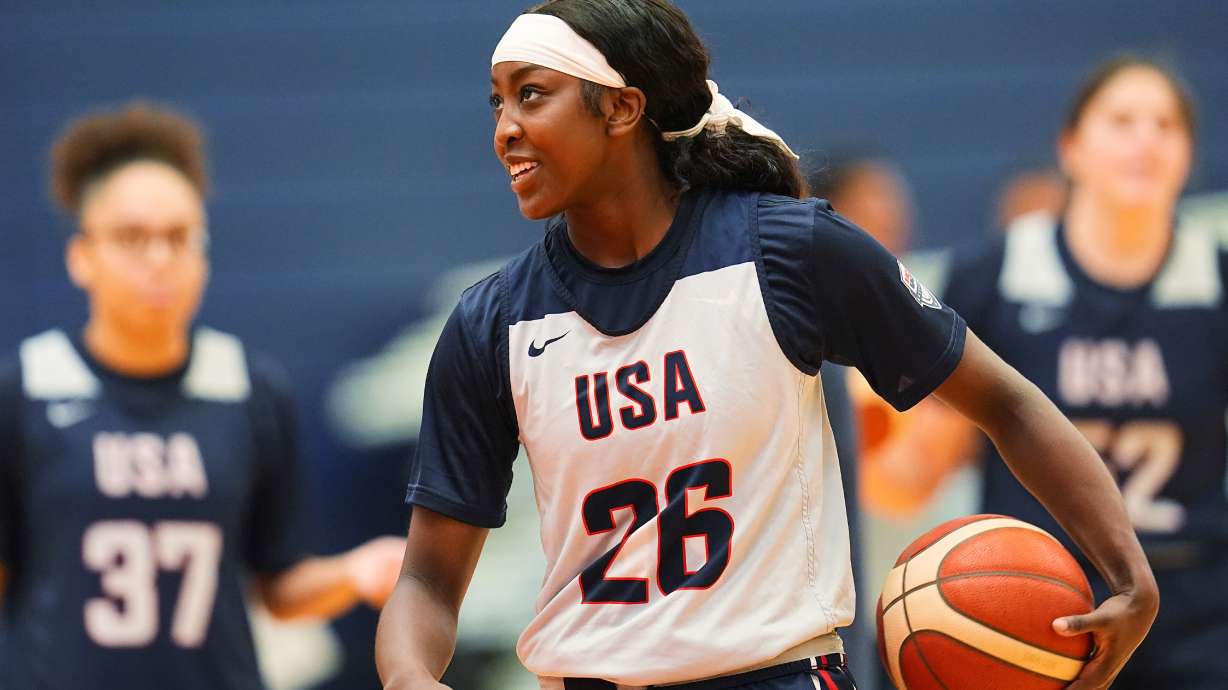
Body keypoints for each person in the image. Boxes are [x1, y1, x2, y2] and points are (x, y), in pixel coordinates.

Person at [375, 4, 1157, 690]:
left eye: (532, 96)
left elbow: (1006, 402)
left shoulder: (787, 251)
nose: (504, 127)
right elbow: (429, 578)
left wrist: (1126, 571)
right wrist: (410, 673)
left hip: (778, 676)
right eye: (497, 102)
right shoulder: (493, 323)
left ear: (620, 108)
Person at [0, 103, 404, 689]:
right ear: (81, 257)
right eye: (133, 237)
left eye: (179, 236)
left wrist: (356, 571)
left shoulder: (248, 387)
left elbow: (280, 587)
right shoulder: (25, 388)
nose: (160, 259)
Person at [864, 56, 1225, 689]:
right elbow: (915, 474)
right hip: (1037, 603)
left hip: (1195, 607)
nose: (1146, 139)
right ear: (1071, 147)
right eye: (1122, 120)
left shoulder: (1214, 276)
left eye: (1166, 125)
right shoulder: (996, 275)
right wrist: (858, 438)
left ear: (1189, 154)